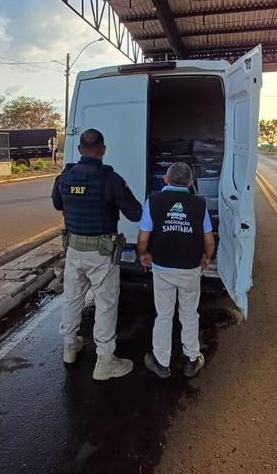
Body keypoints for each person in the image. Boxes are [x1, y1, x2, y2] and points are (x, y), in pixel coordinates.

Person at [52, 128, 143, 381]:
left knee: (72, 298)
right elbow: (135, 213)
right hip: (102, 253)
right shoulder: (110, 179)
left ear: (80, 150)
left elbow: (58, 204)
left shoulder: (66, 176)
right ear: (103, 150)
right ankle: (104, 360)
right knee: (105, 303)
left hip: (73, 249)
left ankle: (70, 346)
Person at [137, 162, 215, 379]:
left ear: (165, 179)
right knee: (189, 313)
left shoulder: (153, 202)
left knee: (164, 315)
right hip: (190, 268)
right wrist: (206, 258)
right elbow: (208, 240)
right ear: (191, 183)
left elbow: (143, 236)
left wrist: (143, 254)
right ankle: (192, 359)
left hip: (162, 268)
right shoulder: (199, 204)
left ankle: (161, 362)